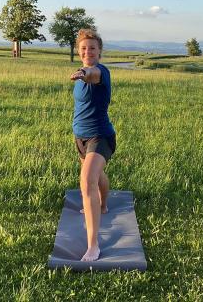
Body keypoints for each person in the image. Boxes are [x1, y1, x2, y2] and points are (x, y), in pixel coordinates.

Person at [69, 28, 116, 262]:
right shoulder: (80, 79)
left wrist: (82, 72)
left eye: (93, 48)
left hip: (101, 136)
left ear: (100, 52)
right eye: (84, 48)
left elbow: (91, 74)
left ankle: (93, 245)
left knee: (87, 181)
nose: (88, 51)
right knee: (96, 178)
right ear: (79, 51)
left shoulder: (100, 72)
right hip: (81, 136)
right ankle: (104, 204)